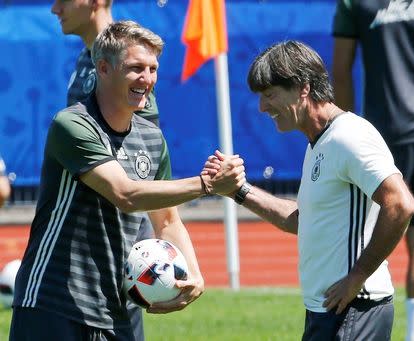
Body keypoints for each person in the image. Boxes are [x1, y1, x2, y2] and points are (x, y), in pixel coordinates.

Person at [9, 21, 245, 341]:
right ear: (103, 69)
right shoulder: (73, 125)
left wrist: (195, 274)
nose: (147, 79)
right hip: (52, 302)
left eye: (152, 69)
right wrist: (207, 184)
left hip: (118, 307)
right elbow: (126, 194)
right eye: (135, 68)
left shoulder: (152, 138)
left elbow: (167, 220)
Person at [203, 41, 414, 340]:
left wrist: (358, 276)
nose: (262, 107)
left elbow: (400, 204)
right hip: (329, 311)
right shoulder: (319, 142)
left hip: (356, 310)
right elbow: (303, 220)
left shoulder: (349, 136)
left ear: (303, 88)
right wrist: (239, 190)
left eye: (269, 95)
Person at [332, 1, 414, 340]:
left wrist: (346, 131)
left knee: (356, 237)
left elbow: (340, 70)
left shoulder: (354, 3)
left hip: (381, 135)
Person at [51, 1, 162, 339]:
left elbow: (143, 152)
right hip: (82, 247)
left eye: (64, 0)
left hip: (116, 243)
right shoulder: (87, 60)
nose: (55, 8)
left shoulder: (127, 63)